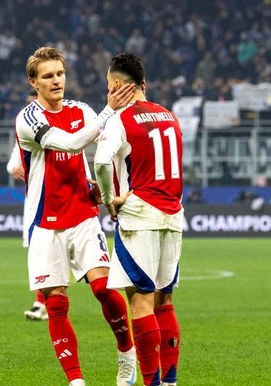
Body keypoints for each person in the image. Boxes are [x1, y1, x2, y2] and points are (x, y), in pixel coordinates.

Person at [14, 46, 136, 386]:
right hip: (44, 224)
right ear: (33, 82)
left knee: (103, 288)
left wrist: (98, 184)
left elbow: (105, 144)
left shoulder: (81, 110)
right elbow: (68, 144)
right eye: (48, 76)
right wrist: (107, 110)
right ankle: (76, 380)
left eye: (60, 74)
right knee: (55, 303)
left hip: (83, 216)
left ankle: (127, 354)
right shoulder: (28, 118)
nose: (56, 81)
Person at [94, 52, 183, 386]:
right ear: (144, 84)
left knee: (140, 301)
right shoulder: (170, 117)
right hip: (173, 215)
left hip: (139, 215)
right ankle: (170, 380)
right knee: (165, 298)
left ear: (117, 85)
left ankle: (151, 382)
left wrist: (108, 200)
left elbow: (102, 163)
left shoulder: (120, 120)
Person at [7, 89, 47, 321]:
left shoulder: (55, 129)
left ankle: (43, 303)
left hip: (54, 200)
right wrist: (15, 168)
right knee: (38, 251)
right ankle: (43, 303)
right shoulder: (24, 129)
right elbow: (13, 161)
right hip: (33, 200)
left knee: (47, 251)